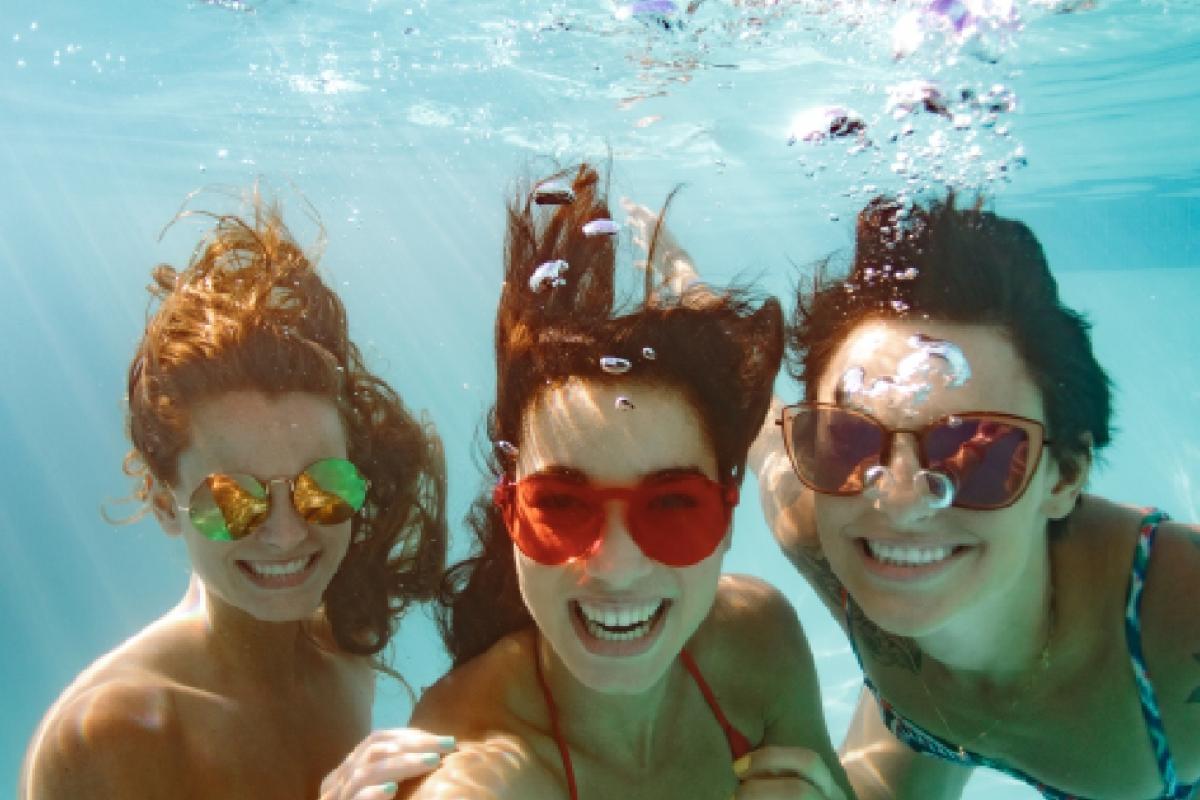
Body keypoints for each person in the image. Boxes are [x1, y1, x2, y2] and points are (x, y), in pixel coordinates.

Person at [322, 163, 853, 800]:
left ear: (729, 516)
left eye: (674, 505)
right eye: (563, 506)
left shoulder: (760, 639)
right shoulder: (477, 776)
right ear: (511, 515)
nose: (617, 565)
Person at [747, 195, 1200, 798]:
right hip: (928, 726)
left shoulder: (1180, 628)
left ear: (1063, 476)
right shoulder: (822, 531)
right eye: (850, 441)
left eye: (978, 453)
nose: (901, 502)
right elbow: (754, 420)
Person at [20, 196, 455, 799]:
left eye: (322, 488)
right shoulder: (111, 734)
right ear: (162, 502)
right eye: (231, 499)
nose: (284, 533)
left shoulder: (341, 647)